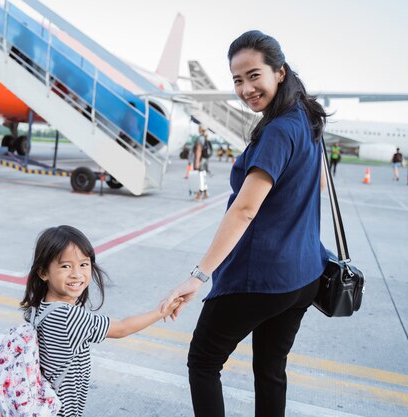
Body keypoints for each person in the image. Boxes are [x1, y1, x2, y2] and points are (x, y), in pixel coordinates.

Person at [160, 30, 328, 417]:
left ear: (279, 72)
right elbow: (317, 182)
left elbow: (244, 210)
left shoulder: (278, 130)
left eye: (255, 75)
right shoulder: (306, 116)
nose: (246, 88)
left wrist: (198, 276)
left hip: (263, 277)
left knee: (203, 362)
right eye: (237, 79)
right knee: (271, 370)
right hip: (304, 276)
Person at [20, 225, 182, 417]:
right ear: (43, 272)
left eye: (83, 264)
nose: (76, 273)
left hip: (44, 406)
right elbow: (122, 328)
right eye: (65, 266)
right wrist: (161, 311)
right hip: (62, 411)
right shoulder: (68, 317)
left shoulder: (38, 308)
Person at [193, 125, 210, 200]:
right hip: (205, 160)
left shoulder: (200, 138)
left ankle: (199, 195)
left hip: (200, 161)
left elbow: (198, 151)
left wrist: (196, 162)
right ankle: (206, 193)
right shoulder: (206, 138)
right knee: (203, 176)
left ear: (200, 129)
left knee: (199, 178)